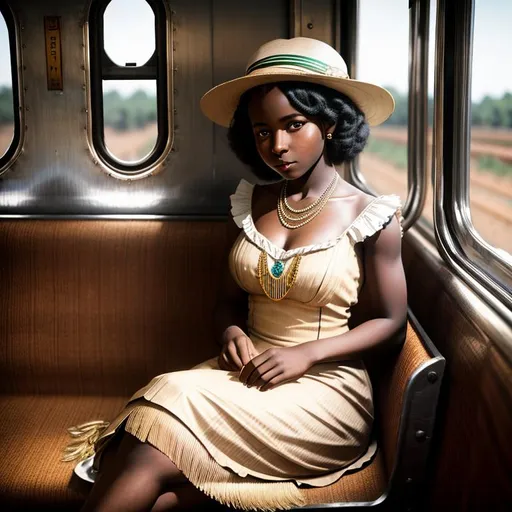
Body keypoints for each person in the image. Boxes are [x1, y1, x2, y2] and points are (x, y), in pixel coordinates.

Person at [67, 36, 407, 512]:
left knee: (150, 434)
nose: (278, 145)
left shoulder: (372, 215)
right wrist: (229, 330)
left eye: (294, 125)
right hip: (246, 377)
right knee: (149, 455)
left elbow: (391, 323)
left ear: (329, 124)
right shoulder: (254, 202)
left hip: (325, 392)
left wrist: (308, 353)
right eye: (262, 131)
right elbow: (228, 301)